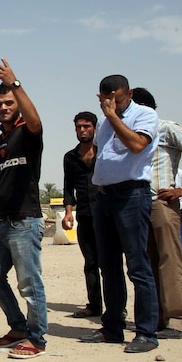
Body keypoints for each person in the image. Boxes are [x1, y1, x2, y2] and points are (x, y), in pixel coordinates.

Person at [79, 75, 160, 353]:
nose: (112, 104)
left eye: (118, 98)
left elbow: (137, 145)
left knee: (138, 267)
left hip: (132, 195)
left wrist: (113, 116)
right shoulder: (104, 122)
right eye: (106, 100)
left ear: (130, 93)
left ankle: (146, 333)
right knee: (108, 266)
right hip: (104, 197)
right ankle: (112, 327)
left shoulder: (144, 114)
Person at [0, 58, 48, 360]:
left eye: (8, 102)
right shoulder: (0, 142)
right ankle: (18, 327)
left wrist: (16, 83)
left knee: (30, 283)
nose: (4, 107)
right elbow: (1, 179)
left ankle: (37, 338)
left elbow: (36, 121)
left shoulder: (28, 134)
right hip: (3, 223)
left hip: (25, 221)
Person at [130, 87, 182, 340]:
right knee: (146, 265)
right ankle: (157, 320)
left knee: (169, 262)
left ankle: (179, 321)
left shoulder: (166, 128)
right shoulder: (130, 133)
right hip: (137, 203)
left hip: (161, 203)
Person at [62, 111, 107, 318]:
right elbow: (68, 188)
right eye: (79, 127)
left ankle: (117, 308)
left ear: (95, 128)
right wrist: (68, 212)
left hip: (106, 214)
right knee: (90, 263)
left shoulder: (105, 152)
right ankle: (94, 306)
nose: (82, 130)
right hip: (85, 216)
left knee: (109, 263)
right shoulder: (70, 158)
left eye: (86, 126)